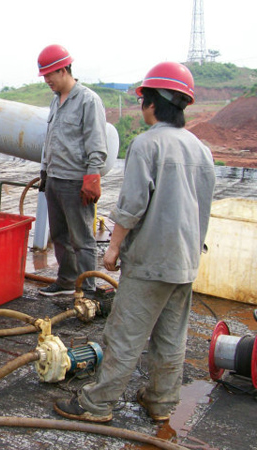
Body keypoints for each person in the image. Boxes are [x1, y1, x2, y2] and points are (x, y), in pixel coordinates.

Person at [53, 62, 216, 423]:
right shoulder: (200, 150)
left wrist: (113, 248)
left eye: (143, 100)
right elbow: (204, 208)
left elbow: (132, 206)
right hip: (185, 262)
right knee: (171, 337)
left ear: (152, 103)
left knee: (125, 335)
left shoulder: (146, 145)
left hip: (149, 262)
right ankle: (160, 403)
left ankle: (97, 404)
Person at [36, 44, 108, 299]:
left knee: (82, 239)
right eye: (44, 76)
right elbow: (50, 140)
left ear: (63, 70)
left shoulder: (88, 100)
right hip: (55, 178)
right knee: (60, 236)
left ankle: (87, 291)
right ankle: (67, 281)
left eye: (49, 75)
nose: (47, 80)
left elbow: (96, 141)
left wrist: (93, 176)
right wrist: (45, 172)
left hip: (76, 181)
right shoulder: (56, 101)